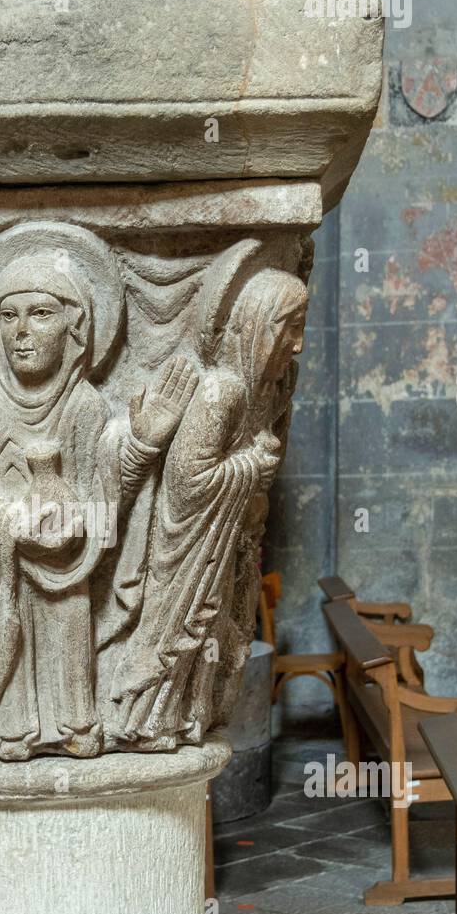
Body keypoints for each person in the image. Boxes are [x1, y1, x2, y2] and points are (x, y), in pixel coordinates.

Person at [0, 247, 195, 761]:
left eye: (41, 313)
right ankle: (11, 730)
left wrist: (140, 446)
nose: (22, 331)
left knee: (66, 627)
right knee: (16, 636)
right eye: (9, 316)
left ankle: (75, 723)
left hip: (69, 562)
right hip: (3, 560)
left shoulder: (84, 406)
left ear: (75, 331)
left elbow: (106, 491)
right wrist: (6, 518)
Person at [111, 265, 308, 749]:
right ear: (261, 325)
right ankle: (144, 721)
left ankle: (188, 718)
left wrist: (255, 468)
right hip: (189, 548)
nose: (298, 345)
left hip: (230, 542)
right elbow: (186, 482)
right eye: (291, 328)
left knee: (218, 635)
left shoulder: (272, 388)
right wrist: (250, 464)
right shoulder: (223, 390)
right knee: (179, 632)